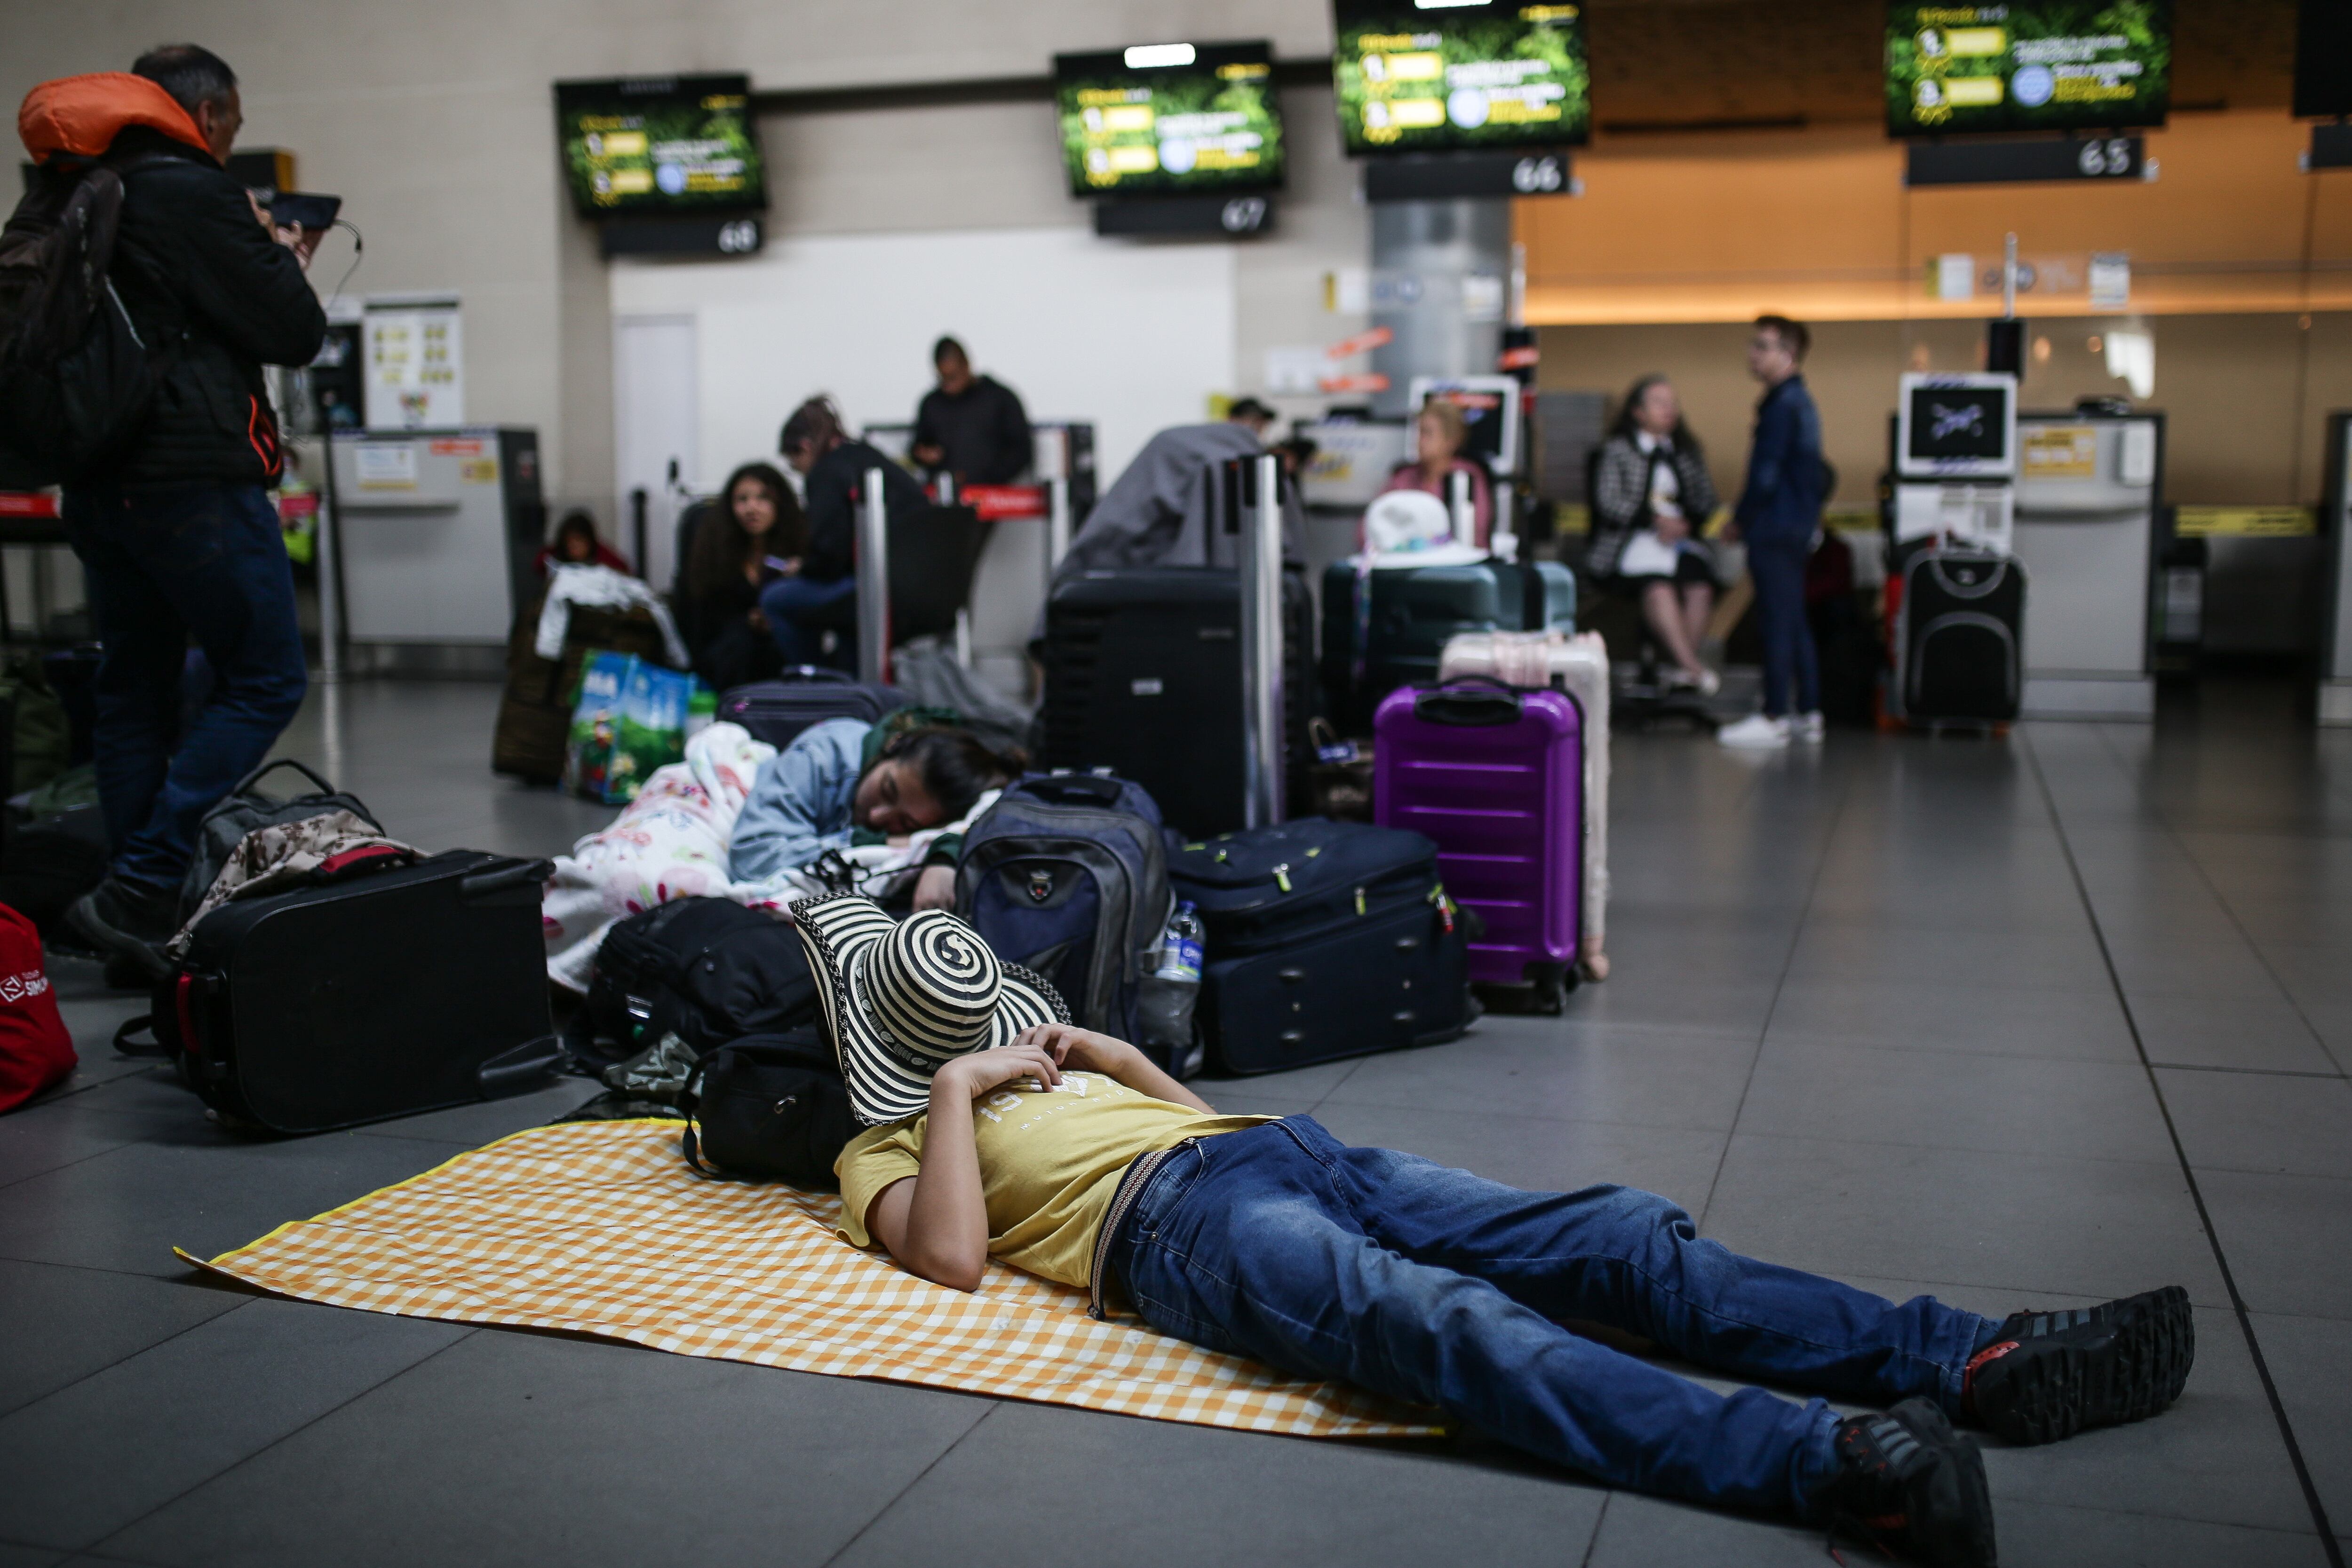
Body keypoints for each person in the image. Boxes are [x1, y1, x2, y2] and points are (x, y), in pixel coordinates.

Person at [794, 895, 2197, 1568]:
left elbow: (1205, 1119)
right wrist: (954, 1087)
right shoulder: (887, 1144)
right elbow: (951, 1259)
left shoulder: (1049, 1065)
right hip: (1170, 1231)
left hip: (1278, 1152)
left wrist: (1108, 1057)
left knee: (1621, 1239)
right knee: (1443, 1324)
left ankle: (1971, 1358)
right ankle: (1831, 1465)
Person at [31, 47, 325, 977]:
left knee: (134, 690)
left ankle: (131, 910)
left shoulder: (72, 189)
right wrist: (280, 257)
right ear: (203, 115)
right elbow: (295, 330)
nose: (228, 141)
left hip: (97, 481)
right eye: (230, 125)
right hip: (194, 481)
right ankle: (147, 879)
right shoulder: (193, 190)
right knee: (267, 676)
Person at [729, 718, 1022, 911]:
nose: (877, 816)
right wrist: (864, 841)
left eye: (903, 823)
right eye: (887, 790)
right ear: (892, 746)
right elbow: (753, 857)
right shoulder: (823, 755)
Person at [1718, 316, 1828, 749]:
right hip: (1796, 526)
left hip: (1775, 527)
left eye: (1763, 346)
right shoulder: (1802, 402)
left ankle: (1775, 713)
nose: (1753, 355)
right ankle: (1809, 711)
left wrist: (1741, 520)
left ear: (1789, 353)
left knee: (1777, 621)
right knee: (1793, 618)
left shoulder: (1782, 406)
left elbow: (1765, 475)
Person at [770, 397, 930, 666]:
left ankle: (815, 680)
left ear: (805, 448)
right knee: (846, 617)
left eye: (795, 465)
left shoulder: (825, 473)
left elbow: (829, 557)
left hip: (880, 588)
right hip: (920, 586)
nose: (800, 474)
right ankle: (845, 676)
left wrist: (802, 568)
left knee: (775, 599)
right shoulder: (870, 457)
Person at [1590, 375, 1722, 694]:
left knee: (1700, 587)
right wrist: (1653, 520)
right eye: (1660, 403)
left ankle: (1682, 669)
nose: (1669, 410)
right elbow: (1608, 502)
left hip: (1680, 542)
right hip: (1630, 544)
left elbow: (1706, 498)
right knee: (1658, 589)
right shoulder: (1617, 450)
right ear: (1638, 412)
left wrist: (1687, 522)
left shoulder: (1685, 452)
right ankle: (1692, 667)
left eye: (1672, 403)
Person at [680, 463, 803, 691]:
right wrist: (748, 621)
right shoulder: (715, 550)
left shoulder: (797, 549)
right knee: (741, 644)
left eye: (763, 498)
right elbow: (702, 618)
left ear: (780, 503)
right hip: (729, 651)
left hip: (781, 646)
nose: (751, 508)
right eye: (742, 500)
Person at [910, 338, 1031, 489]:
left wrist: (987, 479)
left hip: (994, 495)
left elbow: (1021, 450)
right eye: (943, 379)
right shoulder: (931, 404)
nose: (948, 386)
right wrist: (924, 455)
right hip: (945, 494)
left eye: (953, 377)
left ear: (966, 365)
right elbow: (919, 446)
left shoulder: (1000, 399)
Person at [1376, 399, 1493, 550]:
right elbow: (1373, 526)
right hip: (1406, 560)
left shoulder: (1466, 477)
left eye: (1428, 433)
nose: (1420, 441)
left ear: (1451, 441)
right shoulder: (1403, 478)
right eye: (1419, 432)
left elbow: (1477, 535)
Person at [532, 510, 634, 578]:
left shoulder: (603, 558)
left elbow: (624, 571)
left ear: (589, 542)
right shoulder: (554, 557)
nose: (574, 547)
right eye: (570, 542)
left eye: (579, 541)